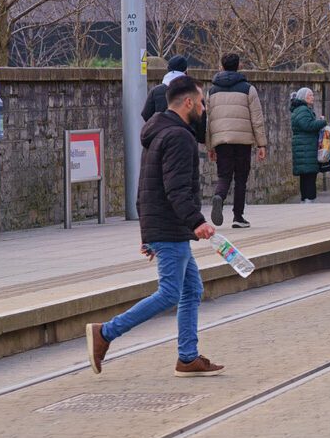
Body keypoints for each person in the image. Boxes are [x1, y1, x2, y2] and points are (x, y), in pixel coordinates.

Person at [87, 76, 224, 377]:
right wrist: (197, 222)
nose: (203, 109)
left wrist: (148, 234)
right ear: (188, 102)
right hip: (172, 226)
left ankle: (187, 357)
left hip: (165, 226)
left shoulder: (159, 132)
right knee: (170, 293)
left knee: (191, 289)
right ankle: (106, 333)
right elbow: (176, 189)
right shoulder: (179, 137)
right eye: (201, 102)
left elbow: (146, 187)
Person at [206, 53, 268, 229]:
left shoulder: (212, 91)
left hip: (221, 141)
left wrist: (210, 145)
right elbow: (257, 118)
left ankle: (219, 196)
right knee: (241, 178)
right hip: (242, 140)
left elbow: (208, 121)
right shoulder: (248, 89)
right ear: (239, 66)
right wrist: (261, 144)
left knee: (224, 175)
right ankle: (238, 217)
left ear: (222, 66)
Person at [291, 88, 329, 202]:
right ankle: (309, 199)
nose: (313, 97)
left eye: (312, 95)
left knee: (306, 175)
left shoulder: (301, 109)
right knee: (310, 174)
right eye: (310, 95)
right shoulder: (303, 110)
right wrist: (322, 122)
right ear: (303, 97)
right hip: (306, 146)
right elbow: (307, 125)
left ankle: (306, 199)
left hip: (305, 146)